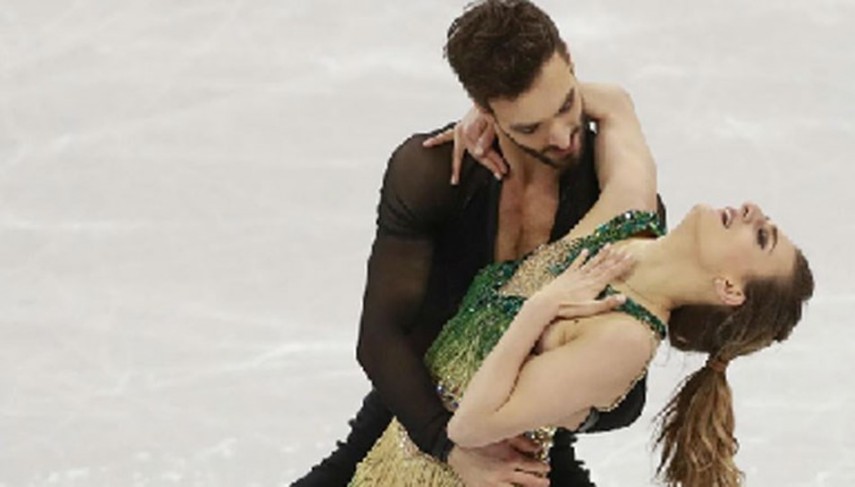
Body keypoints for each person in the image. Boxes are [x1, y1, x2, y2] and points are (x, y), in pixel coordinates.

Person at [348, 81, 814, 487]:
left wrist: (539, 309)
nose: (752, 208)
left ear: (729, 288)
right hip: (392, 461)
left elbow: (470, 427)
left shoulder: (625, 337)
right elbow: (614, 103)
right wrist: (501, 115)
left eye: (761, 237)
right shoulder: (628, 217)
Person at [292, 1, 661, 485]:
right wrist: (451, 446)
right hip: (411, 418)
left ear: (570, 61)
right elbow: (380, 336)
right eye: (528, 127)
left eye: (567, 104)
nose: (561, 137)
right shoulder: (433, 173)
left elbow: (627, 397)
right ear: (486, 110)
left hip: (527, 445)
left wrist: (559, 407)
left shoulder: (609, 198)